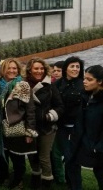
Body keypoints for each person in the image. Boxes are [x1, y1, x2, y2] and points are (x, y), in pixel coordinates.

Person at [0, 58, 38, 189]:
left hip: (17, 126)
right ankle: (4, 176)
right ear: (3, 69)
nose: (12, 71)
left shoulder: (22, 85)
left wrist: (30, 131)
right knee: (3, 154)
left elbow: (30, 109)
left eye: (15, 68)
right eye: (9, 68)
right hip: (0, 126)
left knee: (17, 157)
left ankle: (18, 181)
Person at [25, 57, 64, 188]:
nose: (39, 71)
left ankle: (47, 182)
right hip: (30, 127)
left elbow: (59, 106)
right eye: (36, 68)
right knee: (32, 155)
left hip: (47, 127)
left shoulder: (50, 86)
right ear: (30, 70)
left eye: (41, 68)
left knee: (44, 157)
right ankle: (36, 178)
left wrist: (48, 116)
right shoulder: (23, 85)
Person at [69, 65, 103, 189]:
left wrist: (98, 147)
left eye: (89, 79)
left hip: (97, 146)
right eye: (84, 78)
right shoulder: (85, 96)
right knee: (71, 164)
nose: (84, 81)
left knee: (100, 173)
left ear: (99, 81)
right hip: (82, 141)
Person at [53, 56, 84, 188]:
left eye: (78, 67)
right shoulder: (57, 84)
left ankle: (75, 185)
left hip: (77, 127)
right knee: (67, 156)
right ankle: (70, 182)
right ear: (66, 68)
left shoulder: (83, 84)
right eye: (72, 66)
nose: (75, 69)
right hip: (61, 127)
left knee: (73, 158)